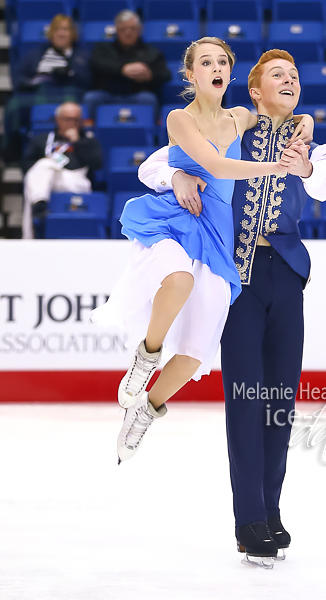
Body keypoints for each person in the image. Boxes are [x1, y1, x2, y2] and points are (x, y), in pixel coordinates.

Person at [91, 38, 313, 563]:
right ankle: (145, 361)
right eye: (206, 62)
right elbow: (160, 166)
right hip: (193, 233)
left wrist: (304, 135)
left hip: (239, 255)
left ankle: (148, 407)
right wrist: (176, 173)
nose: (216, 69)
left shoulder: (251, 120)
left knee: (210, 365)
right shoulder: (189, 118)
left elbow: (296, 137)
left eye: (223, 63)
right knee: (183, 294)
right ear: (191, 74)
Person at [136, 49, 326, 567]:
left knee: (279, 400)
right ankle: (247, 519)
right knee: (246, 398)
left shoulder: (309, 141)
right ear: (255, 91)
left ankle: (271, 511)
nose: (290, 80)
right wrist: (178, 178)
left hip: (288, 276)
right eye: (278, 74)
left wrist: (310, 164)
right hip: (240, 279)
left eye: (295, 75)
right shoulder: (228, 129)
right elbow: (154, 164)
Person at [3, 14, 92, 162]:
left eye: (65, 29)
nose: (61, 33)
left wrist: (70, 72)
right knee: (13, 105)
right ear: (51, 33)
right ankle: (12, 153)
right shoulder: (35, 54)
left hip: (67, 91)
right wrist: (31, 83)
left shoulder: (82, 55)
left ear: (73, 33)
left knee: (73, 100)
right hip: (38, 92)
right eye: (57, 29)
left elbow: (88, 81)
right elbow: (19, 78)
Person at [22, 102, 102, 239]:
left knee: (44, 165)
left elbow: (97, 164)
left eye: (76, 119)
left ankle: (39, 205)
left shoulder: (89, 141)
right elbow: (26, 164)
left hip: (77, 180)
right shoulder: (41, 139)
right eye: (67, 119)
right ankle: (39, 205)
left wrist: (77, 142)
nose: (72, 123)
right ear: (58, 119)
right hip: (47, 181)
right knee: (43, 167)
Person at [83, 10, 171, 121]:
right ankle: (90, 134)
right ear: (116, 30)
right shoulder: (103, 48)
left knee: (149, 99)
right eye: (123, 29)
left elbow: (165, 74)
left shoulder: (152, 52)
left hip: (137, 95)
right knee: (91, 98)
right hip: (107, 94)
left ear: (140, 30)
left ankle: (152, 135)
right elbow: (96, 64)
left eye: (132, 29)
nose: (128, 32)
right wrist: (122, 69)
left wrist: (150, 75)